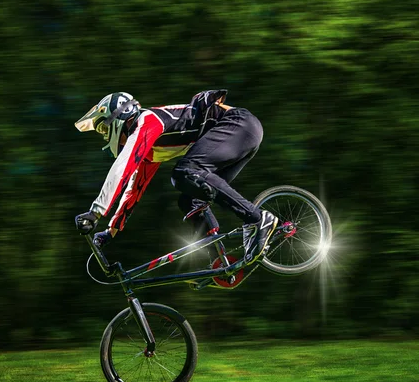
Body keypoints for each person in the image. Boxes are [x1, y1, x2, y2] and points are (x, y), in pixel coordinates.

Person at [74, 90, 278, 265]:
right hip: (241, 134)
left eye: (103, 128)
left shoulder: (146, 121)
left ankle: (258, 219)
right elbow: (134, 190)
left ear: (120, 116)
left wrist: (95, 213)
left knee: (184, 172)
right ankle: (219, 260)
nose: (104, 135)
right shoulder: (149, 150)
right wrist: (112, 231)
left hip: (239, 125)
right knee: (189, 200)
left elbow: (122, 168)